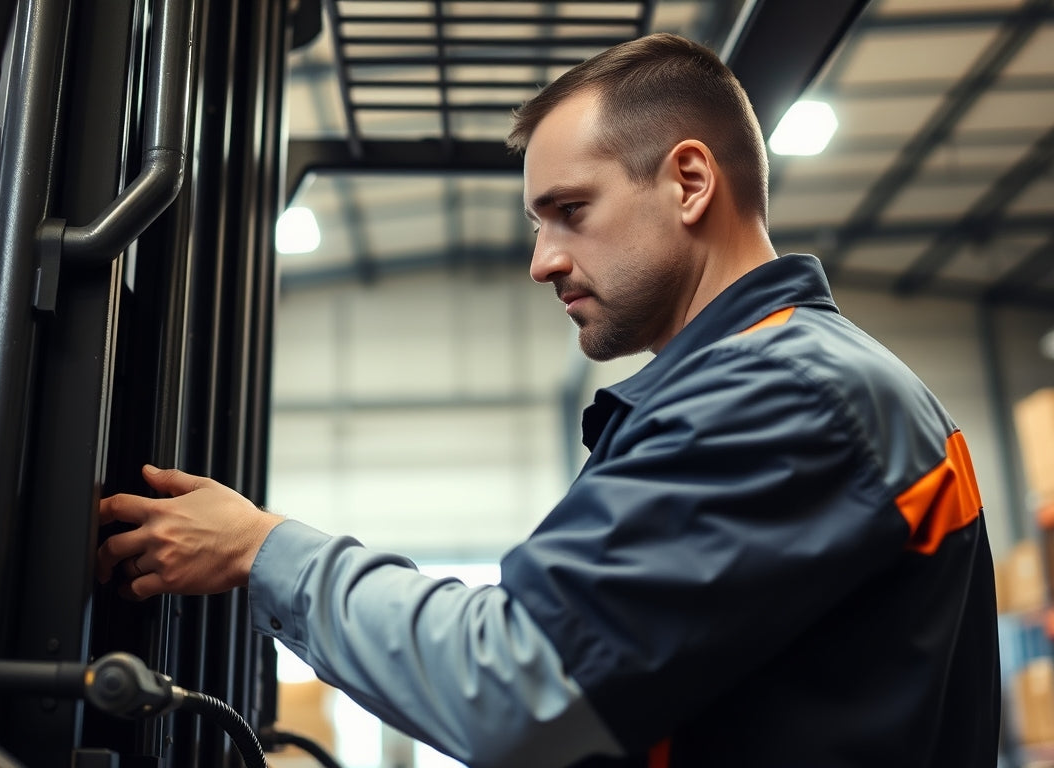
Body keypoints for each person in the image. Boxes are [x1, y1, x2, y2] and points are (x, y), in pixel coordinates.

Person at [96, 32, 999, 767]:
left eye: (571, 210)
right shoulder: (801, 383)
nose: (544, 260)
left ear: (690, 182)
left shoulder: (784, 395)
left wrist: (264, 550)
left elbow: (517, 683)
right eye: (539, 225)